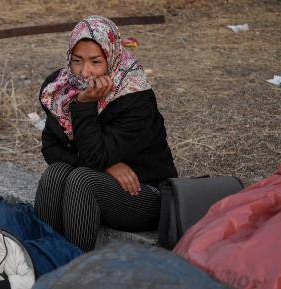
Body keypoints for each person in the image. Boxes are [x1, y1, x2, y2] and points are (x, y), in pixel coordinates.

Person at [35, 15, 178, 251]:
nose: (84, 72)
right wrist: (106, 167)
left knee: (82, 180)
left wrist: (83, 105)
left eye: (95, 62)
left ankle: (74, 273)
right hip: (97, 178)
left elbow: (93, 159)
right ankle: (45, 261)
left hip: (143, 193)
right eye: (77, 60)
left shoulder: (134, 95)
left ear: (111, 57)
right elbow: (51, 150)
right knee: (56, 173)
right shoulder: (60, 89)